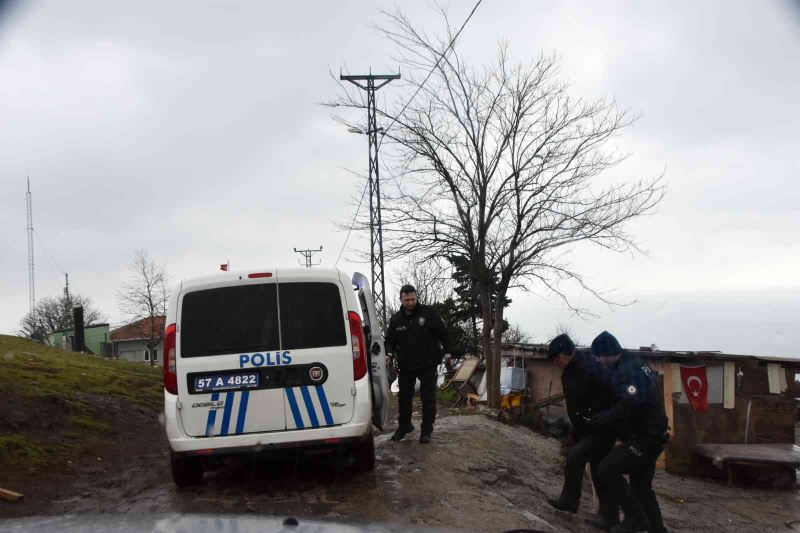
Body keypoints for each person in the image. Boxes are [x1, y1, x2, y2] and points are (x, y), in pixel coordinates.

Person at [585, 331, 670, 533]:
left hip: (646, 437)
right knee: (641, 488)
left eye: (598, 355)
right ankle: (657, 530)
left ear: (607, 352)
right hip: (653, 434)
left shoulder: (627, 370)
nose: (597, 360)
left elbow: (629, 404)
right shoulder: (632, 362)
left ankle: (635, 518)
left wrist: (602, 419)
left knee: (607, 469)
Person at [546, 334, 619, 525]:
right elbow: (574, 405)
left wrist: (598, 418)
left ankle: (570, 502)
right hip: (585, 427)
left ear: (564, 354)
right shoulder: (569, 372)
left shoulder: (590, 365)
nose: (555, 362)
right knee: (598, 470)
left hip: (602, 426)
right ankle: (608, 517)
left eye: (556, 358)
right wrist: (575, 430)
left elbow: (607, 394)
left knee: (576, 457)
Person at [384, 284, 452, 444]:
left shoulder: (428, 313)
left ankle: (426, 431)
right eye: (407, 299)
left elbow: (443, 333)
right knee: (404, 398)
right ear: (401, 299)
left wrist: (448, 353)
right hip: (406, 365)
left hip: (428, 363)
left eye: (413, 299)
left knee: (428, 398)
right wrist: (388, 353)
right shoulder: (396, 320)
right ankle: (404, 426)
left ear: (416, 297)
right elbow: (390, 341)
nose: (410, 302)